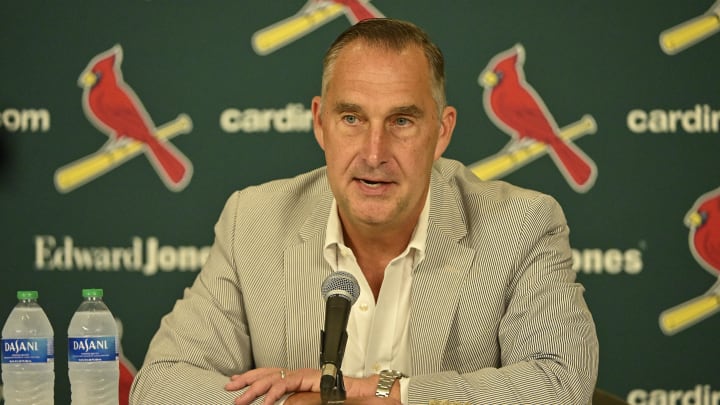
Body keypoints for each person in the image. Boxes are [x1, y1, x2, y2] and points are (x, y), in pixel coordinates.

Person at [130, 18, 599, 405]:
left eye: (402, 121)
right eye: (352, 119)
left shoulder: (521, 225)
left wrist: (381, 393)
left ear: (442, 132)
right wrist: (302, 403)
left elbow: (561, 384)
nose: (374, 153)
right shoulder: (254, 221)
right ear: (320, 123)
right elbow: (161, 385)